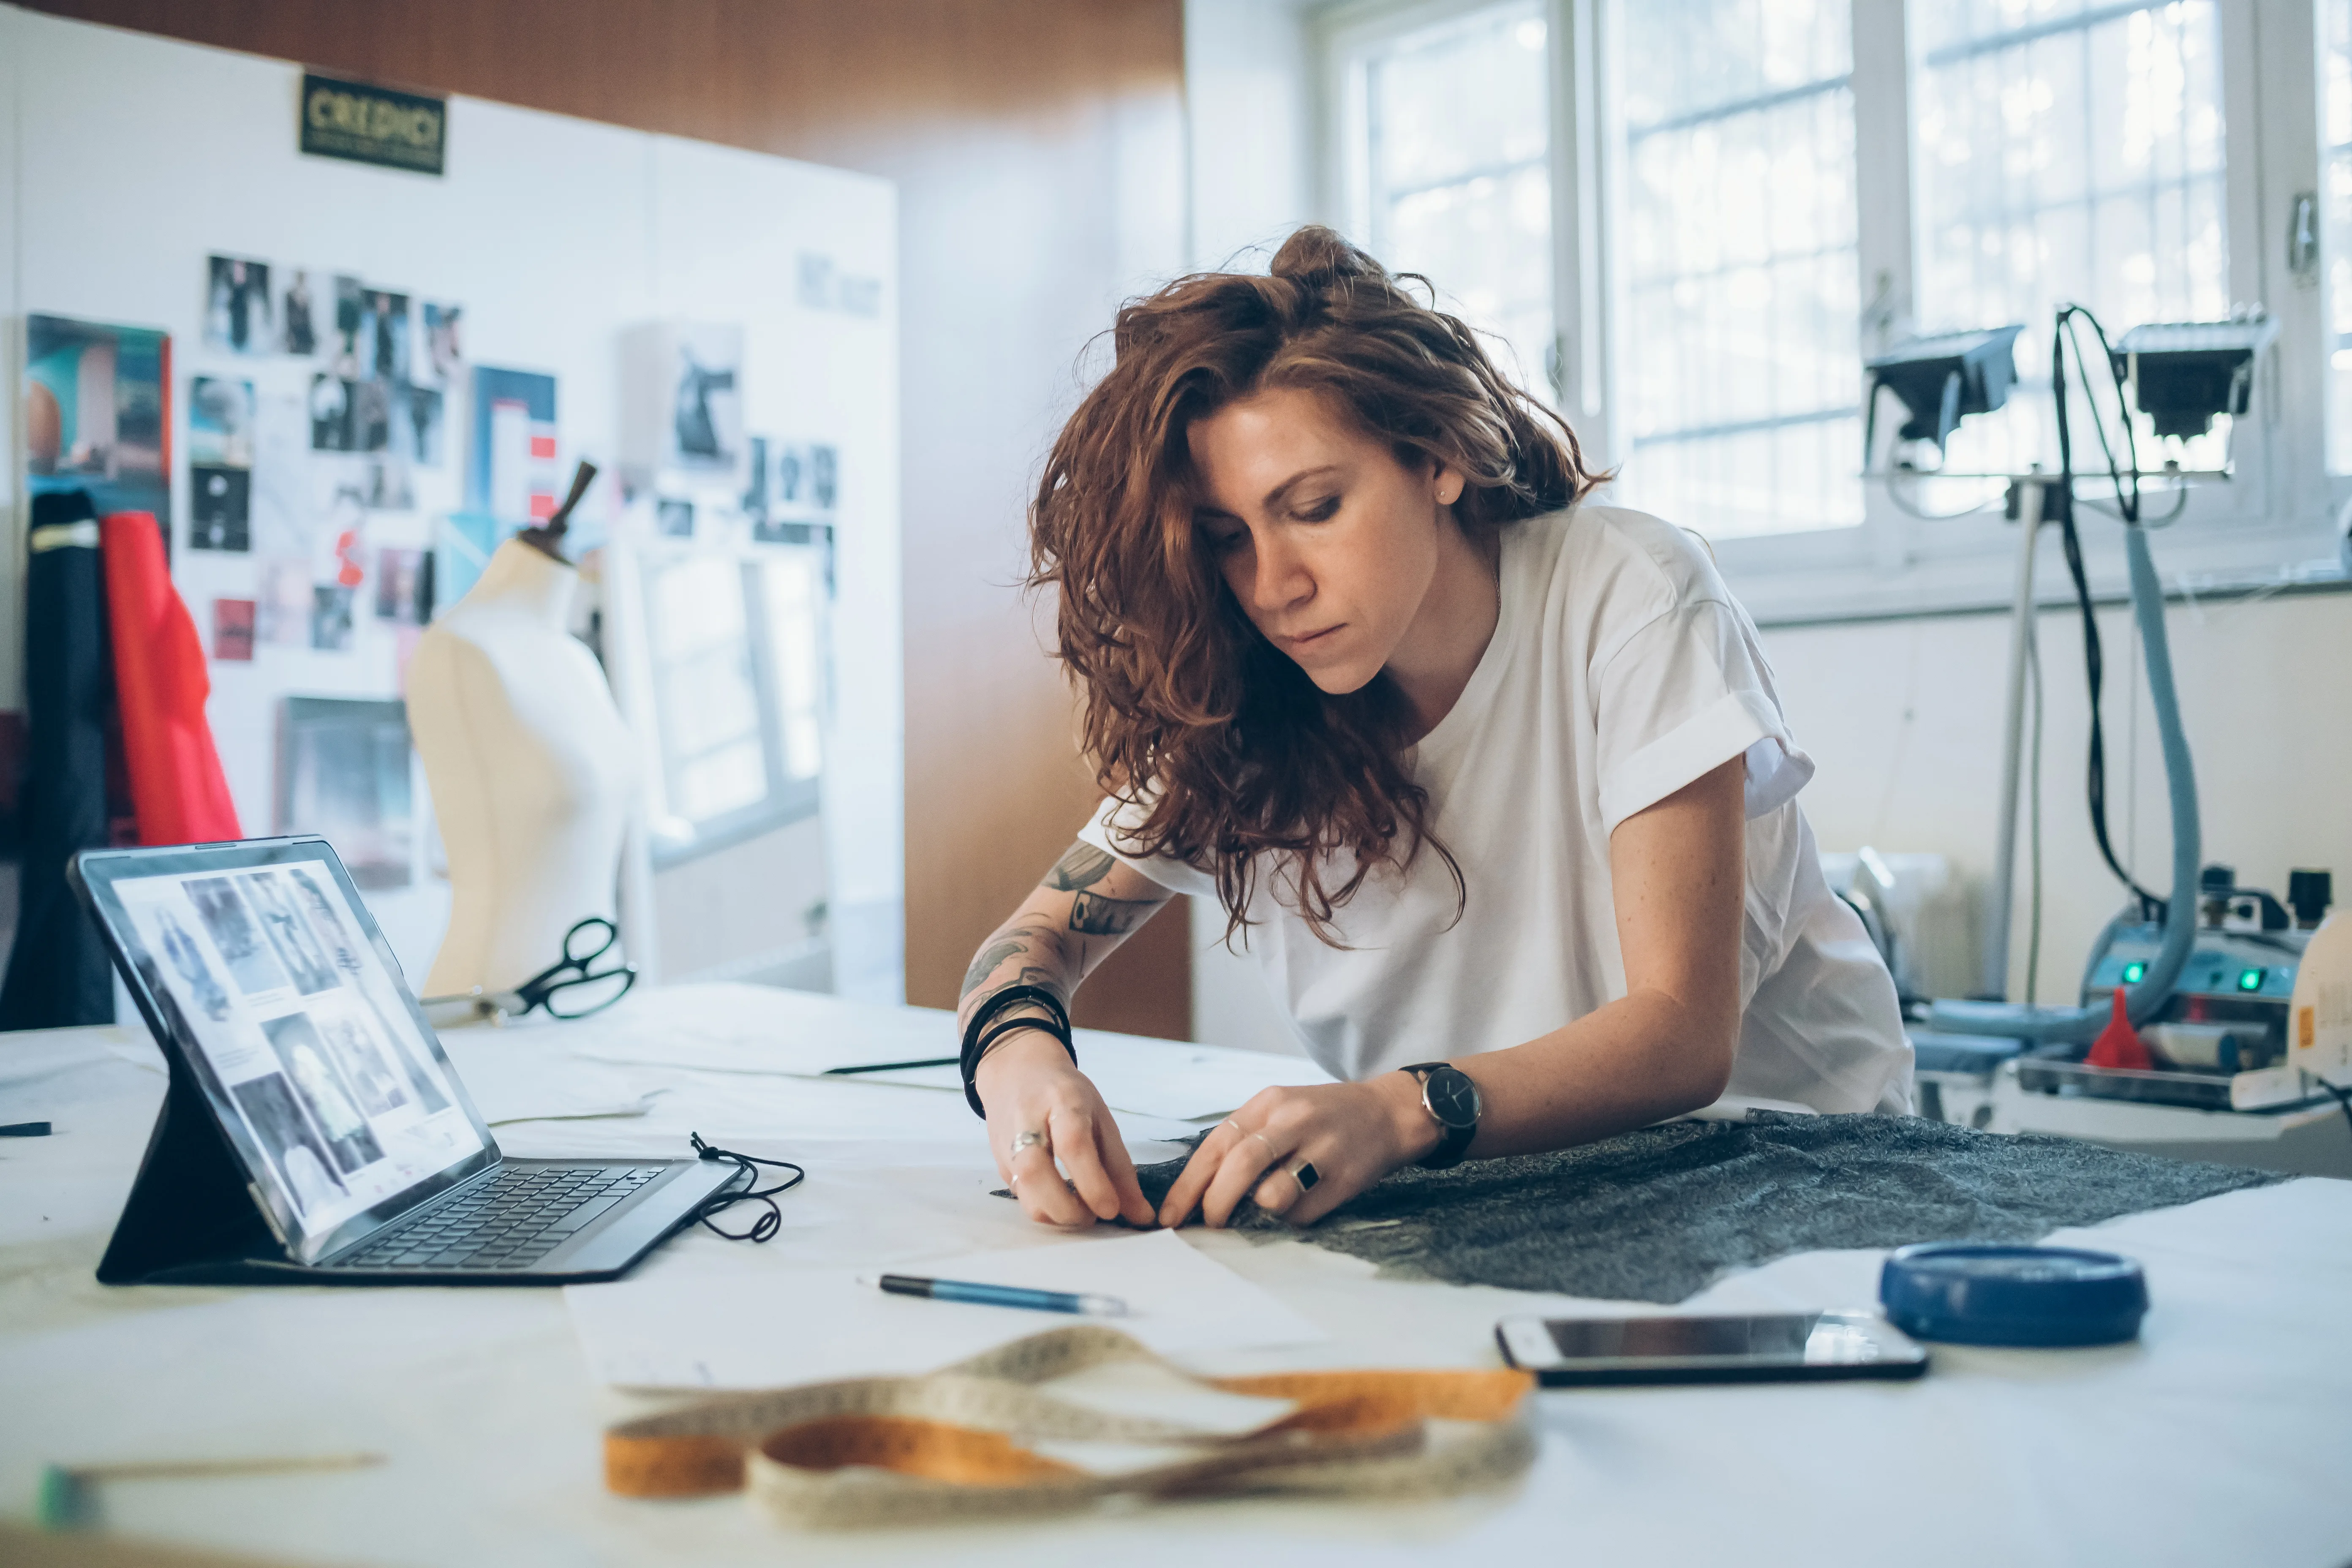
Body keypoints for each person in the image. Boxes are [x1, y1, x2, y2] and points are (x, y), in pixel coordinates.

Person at [957, 226, 1911, 1233]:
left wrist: (1396, 1107)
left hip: (1793, 1161)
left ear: (1439, 455)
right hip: (1504, 1191)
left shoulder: (1626, 591)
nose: (1274, 587)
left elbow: (1681, 1031)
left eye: (1315, 506)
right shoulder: (1247, 692)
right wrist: (1024, 1063)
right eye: (1230, 538)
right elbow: (1027, 946)